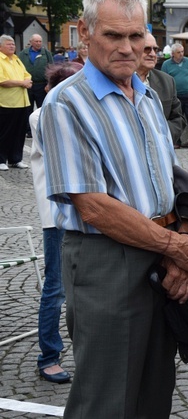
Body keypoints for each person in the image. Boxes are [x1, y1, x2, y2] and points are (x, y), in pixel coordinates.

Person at [37, 0, 188, 419]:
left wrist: (178, 246)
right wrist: (175, 249)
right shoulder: (67, 103)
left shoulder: (147, 95)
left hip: (161, 251)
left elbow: (173, 182)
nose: (129, 47)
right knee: (106, 400)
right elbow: (92, 205)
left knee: (155, 392)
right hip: (106, 258)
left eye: (137, 36)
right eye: (114, 36)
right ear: (85, 33)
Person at [30, 61, 82, 384]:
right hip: (56, 213)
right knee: (56, 286)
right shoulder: (43, 114)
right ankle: (48, 355)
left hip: (74, 208)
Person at [136, 33, 187, 149]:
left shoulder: (167, 81)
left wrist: (161, 136)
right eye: (147, 49)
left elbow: (178, 119)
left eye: (155, 49)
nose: (153, 54)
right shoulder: (121, 80)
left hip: (161, 149)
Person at [0, 34, 32, 171]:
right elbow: (2, 81)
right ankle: (1, 159)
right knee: (5, 132)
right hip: (7, 102)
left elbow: (27, 75)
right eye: (9, 44)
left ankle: (16, 159)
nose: (12, 46)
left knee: (19, 132)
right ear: (1, 46)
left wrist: (27, 81)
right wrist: (22, 83)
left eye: (13, 44)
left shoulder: (16, 59)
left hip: (22, 101)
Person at [161, 42, 188, 149]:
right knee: (176, 119)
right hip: (176, 96)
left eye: (182, 51)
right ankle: (176, 142)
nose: (181, 54)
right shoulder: (166, 64)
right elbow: (164, 79)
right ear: (173, 53)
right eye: (179, 52)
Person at [19, 33, 54, 113]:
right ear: (31, 42)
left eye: (40, 41)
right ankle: (28, 125)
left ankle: (41, 124)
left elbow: (51, 69)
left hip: (41, 85)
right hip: (27, 86)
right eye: (36, 41)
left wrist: (49, 84)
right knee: (27, 109)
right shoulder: (23, 53)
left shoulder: (46, 53)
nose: (38, 43)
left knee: (42, 109)